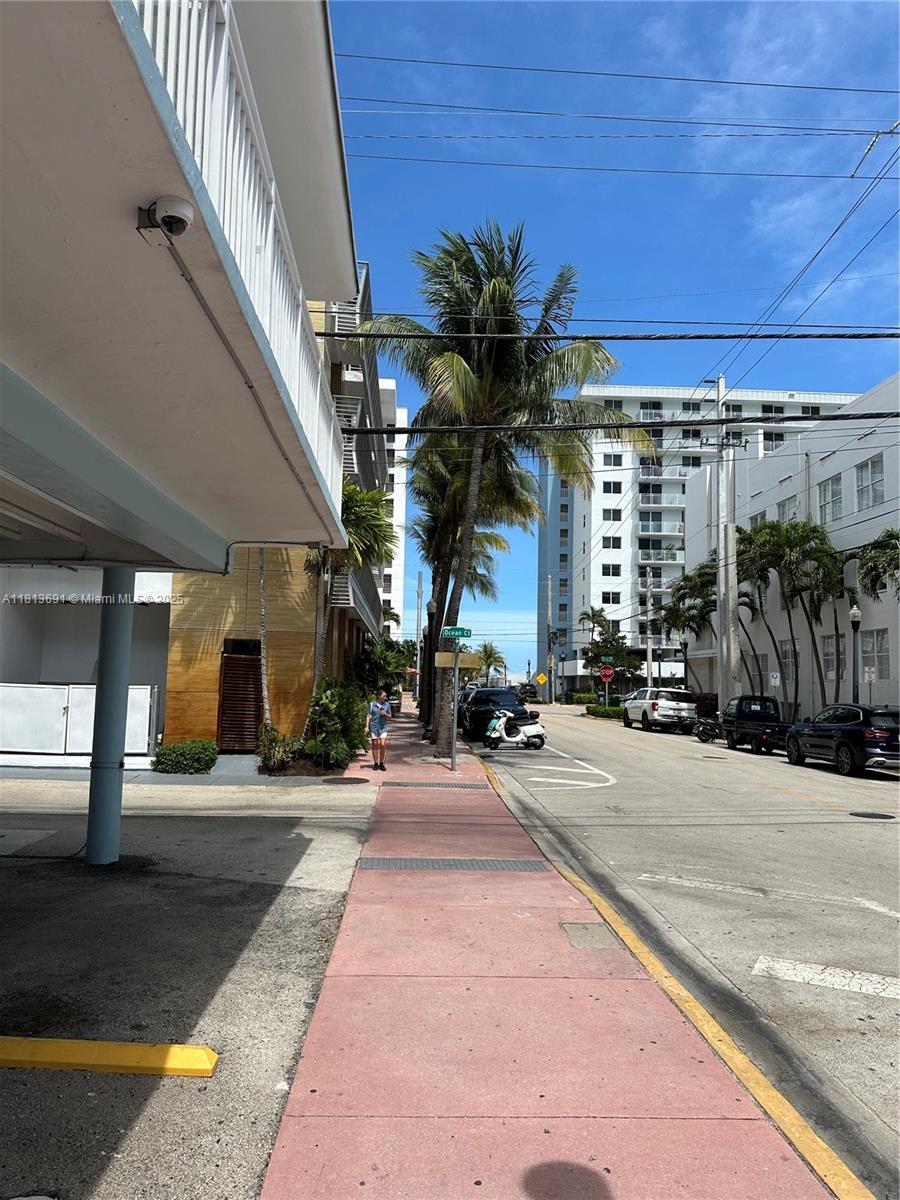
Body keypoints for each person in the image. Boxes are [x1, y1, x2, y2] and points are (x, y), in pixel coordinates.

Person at [365, 687, 392, 771]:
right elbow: (368, 715)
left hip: (383, 727)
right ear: (379, 696)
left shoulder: (387, 705)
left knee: (383, 744)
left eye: (385, 696)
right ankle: (376, 763)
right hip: (374, 727)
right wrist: (366, 726)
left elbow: (390, 716)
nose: (385, 698)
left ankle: (381, 763)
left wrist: (386, 714)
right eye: (384, 696)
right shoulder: (372, 704)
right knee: (375, 744)